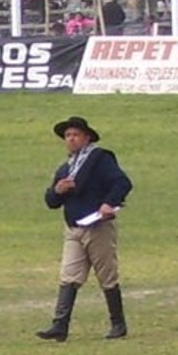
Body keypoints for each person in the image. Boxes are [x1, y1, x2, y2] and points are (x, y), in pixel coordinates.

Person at [36, 116, 133, 342]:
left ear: (86, 138)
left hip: (97, 225)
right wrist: (57, 191)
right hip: (73, 228)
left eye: (75, 135)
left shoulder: (100, 159)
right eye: (67, 136)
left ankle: (118, 323)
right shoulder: (65, 169)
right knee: (68, 275)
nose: (71, 139)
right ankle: (60, 324)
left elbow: (122, 182)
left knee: (106, 274)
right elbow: (51, 202)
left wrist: (109, 202)